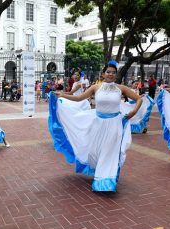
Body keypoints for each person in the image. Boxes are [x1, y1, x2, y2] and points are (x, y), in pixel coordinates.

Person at [48, 60, 142, 192]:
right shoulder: (95, 87)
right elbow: (80, 98)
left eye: (113, 72)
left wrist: (134, 112)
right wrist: (63, 95)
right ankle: (99, 170)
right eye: (108, 72)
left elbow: (139, 99)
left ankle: (105, 180)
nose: (110, 74)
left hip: (114, 124)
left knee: (109, 152)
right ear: (103, 74)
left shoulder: (121, 88)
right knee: (94, 151)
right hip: (98, 123)